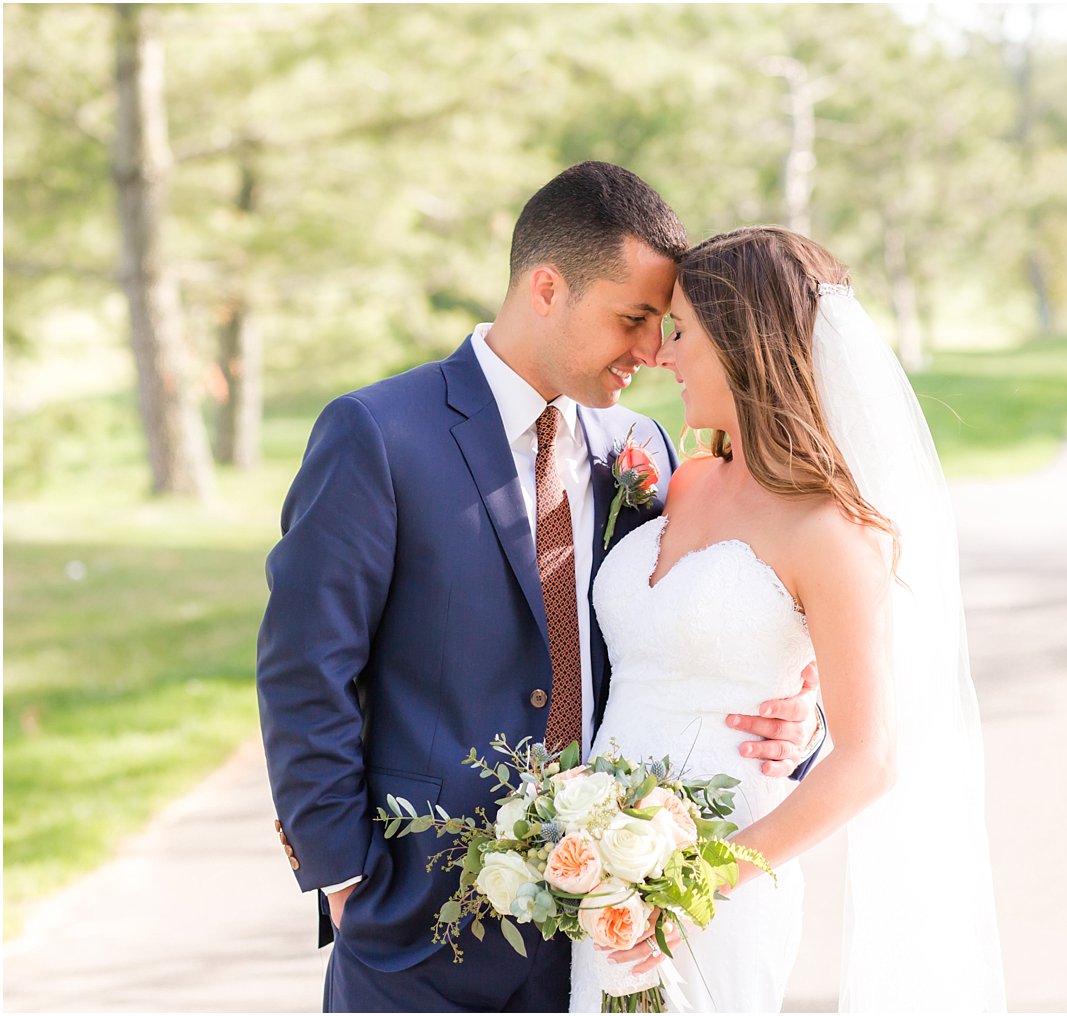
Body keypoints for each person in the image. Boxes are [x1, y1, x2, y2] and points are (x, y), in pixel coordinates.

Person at [256, 163, 825, 1013]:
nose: (650, 353)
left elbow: (699, 626)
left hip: (607, 926)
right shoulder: (379, 434)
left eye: (661, 326)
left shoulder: (645, 446)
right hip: (419, 927)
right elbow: (306, 671)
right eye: (633, 320)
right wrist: (344, 879)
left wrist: (795, 718)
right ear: (547, 287)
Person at [568, 226, 1006, 1011]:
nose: (664, 355)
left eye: (683, 334)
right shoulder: (682, 479)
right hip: (599, 872)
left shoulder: (834, 534)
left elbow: (867, 759)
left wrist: (693, 881)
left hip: (720, 882)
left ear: (745, 348)